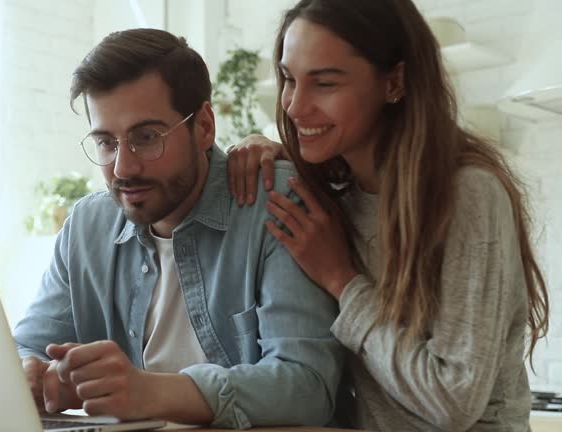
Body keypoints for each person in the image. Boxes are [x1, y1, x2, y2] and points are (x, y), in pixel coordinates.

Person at [227, 0, 549, 431]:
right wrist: (262, 150)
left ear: (394, 81)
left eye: (324, 83)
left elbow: (454, 402)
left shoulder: (469, 195)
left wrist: (341, 280)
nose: (295, 106)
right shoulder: (335, 196)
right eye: (289, 78)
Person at [12, 28, 346, 429]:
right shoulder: (87, 226)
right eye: (106, 143)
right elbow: (25, 347)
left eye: (147, 137)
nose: (123, 168)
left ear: (204, 126)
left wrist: (149, 391)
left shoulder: (275, 202)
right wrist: (32, 373)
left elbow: (306, 387)